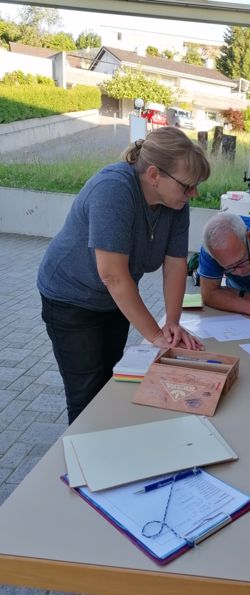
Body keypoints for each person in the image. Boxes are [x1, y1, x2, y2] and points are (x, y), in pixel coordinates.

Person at [37, 126, 210, 424]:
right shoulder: (114, 189)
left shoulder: (175, 202)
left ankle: (107, 447)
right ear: (154, 175)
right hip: (70, 298)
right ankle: (82, 463)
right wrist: (155, 335)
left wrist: (172, 323)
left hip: (114, 300)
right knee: (85, 393)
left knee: (109, 383)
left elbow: (175, 265)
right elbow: (113, 275)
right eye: (187, 186)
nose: (193, 193)